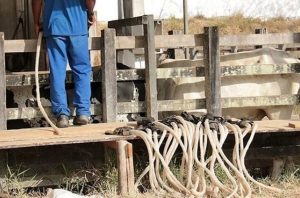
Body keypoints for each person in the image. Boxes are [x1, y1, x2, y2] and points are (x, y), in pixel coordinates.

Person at [32, 0, 96, 128]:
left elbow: (36, 1)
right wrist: (90, 12)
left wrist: (35, 22)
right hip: (78, 25)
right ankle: (83, 112)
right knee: (82, 70)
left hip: (54, 26)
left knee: (57, 71)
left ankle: (62, 115)